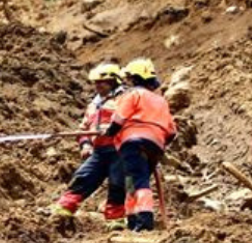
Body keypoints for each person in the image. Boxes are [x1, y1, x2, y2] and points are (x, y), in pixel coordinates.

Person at [50, 63, 129, 230]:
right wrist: (85, 144)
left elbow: (133, 123)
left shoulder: (125, 100)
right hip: (99, 152)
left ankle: (116, 221)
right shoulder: (94, 105)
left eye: (103, 82)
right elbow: (84, 129)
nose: (98, 85)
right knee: (82, 177)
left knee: (117, 185)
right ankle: (63, 211)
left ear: (114, 82)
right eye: (96, 82)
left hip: (119, 150)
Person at [102, 58, 177, 231]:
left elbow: (119, 118)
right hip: (155, 145)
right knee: (131, 180)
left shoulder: (132, 94)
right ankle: (132, 220)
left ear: (134, 79)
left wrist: (110, 131)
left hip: (133, 142)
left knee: (138, 180)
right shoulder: (161, 101)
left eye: (128, 79)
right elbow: (172, 131)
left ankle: (144, 221)